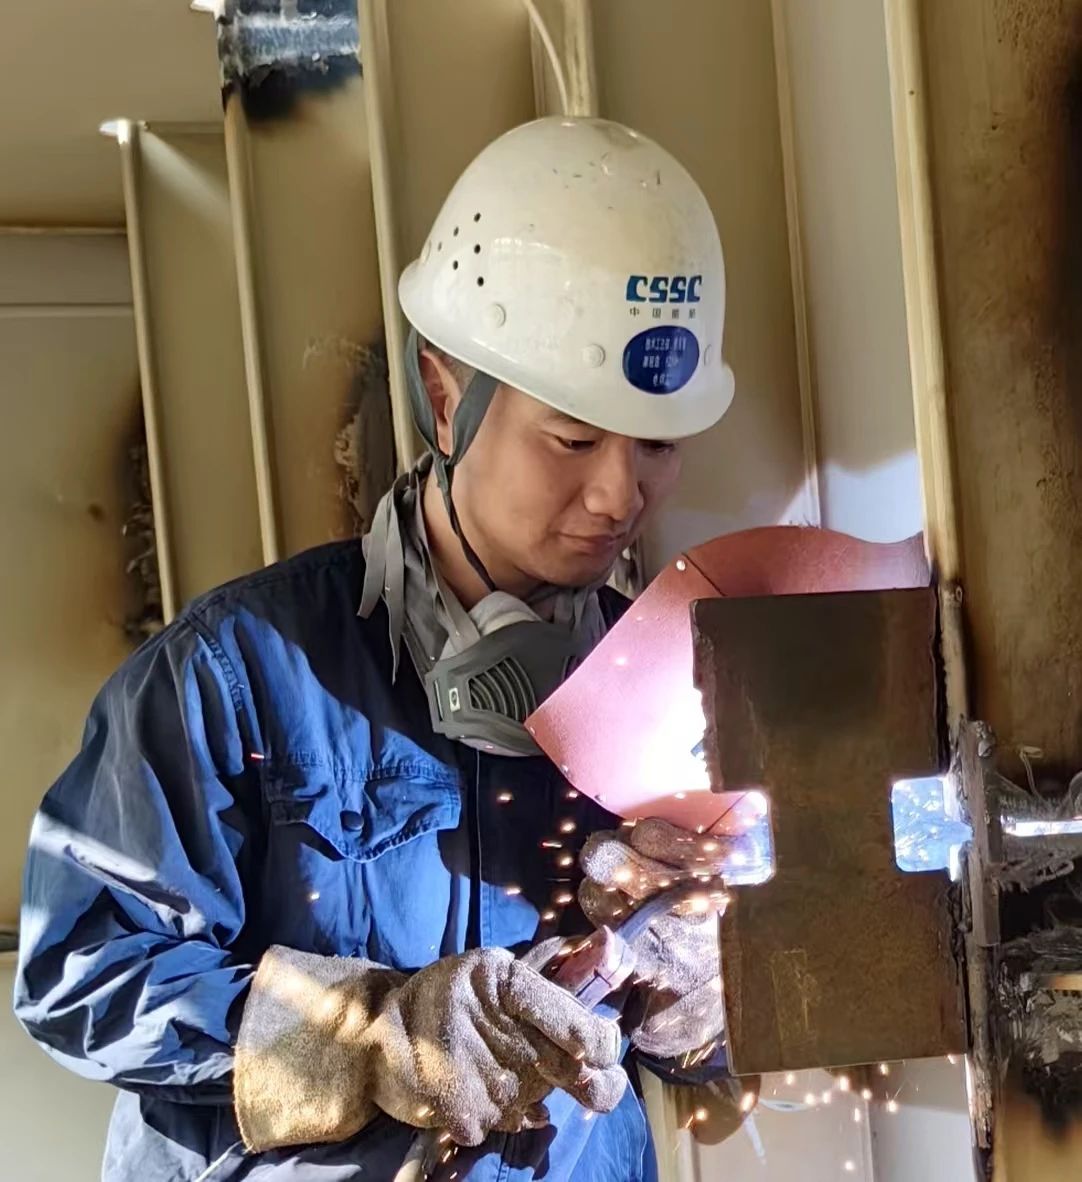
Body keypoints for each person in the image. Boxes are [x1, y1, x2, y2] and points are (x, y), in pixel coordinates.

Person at [15, 116, 737, 1181]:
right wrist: (364, 1037)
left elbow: (720, 1061)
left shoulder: (677, 689)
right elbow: (77, 971)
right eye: (574, 438)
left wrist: (707, 1000)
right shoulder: (240, 672)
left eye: (658, 445)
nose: (617, 495)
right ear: (445, 398)